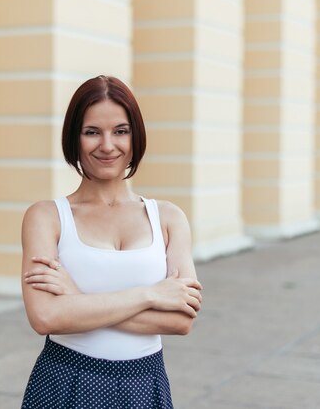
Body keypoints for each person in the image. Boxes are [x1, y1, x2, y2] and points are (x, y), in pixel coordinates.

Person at [20, 75, 202, 408]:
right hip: (64, 380)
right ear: (74, 138)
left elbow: (180, 320)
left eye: (120, 131)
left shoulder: (168, 217)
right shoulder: (46, 217)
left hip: (145, 383)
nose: (107, 145)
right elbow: (45, 317)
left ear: (136, 136)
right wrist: (150, 294)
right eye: (92, 132)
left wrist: (75, 299)